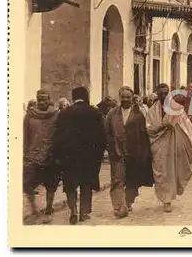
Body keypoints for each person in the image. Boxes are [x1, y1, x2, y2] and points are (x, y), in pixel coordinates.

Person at [53, 87, 107, 225]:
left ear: (73, 97)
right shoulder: (95, 112)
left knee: (70, 185)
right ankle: (83, 213)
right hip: (89, 157)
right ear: (86, 96)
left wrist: (58, 155)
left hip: (69, 156)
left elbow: (57, 136)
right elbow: (102, 136)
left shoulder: (64, 113)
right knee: (86, 184)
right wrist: (99, 154)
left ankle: (73, 211)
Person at [146, 83, 192, 212]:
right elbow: (149, 129)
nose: (164, 95)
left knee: (173, 171)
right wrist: (162, 126)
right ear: (157, 94)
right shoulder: (152, 111)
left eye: (166, 93)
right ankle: (165, 198)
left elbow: (187, 127)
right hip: (159, 145)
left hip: (175, 144)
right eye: (161, 93)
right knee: (162, 171)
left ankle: (168, 200)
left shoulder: (177, 108)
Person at [106, 87, 154, 219]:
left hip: (134, 152)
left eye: (128, 97)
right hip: (117, 153)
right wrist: (112, 147)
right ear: (119, 97)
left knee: (132, 180)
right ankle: (119, 206)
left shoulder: (138, 114)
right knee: (117, 180)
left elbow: (144, 134)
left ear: (132, 98)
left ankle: (128, 202)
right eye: (123, 97)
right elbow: (107, 133)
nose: (125, 99)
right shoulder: (112, 113)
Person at [23, 90, 60, 224]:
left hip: (50, 156)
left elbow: (59, 134)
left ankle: (49, 209)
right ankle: (34, 209)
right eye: (39, 99)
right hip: (32, 156)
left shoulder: (56, 114)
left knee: (51, 184)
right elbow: (25, 135)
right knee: (27, 184)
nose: (42, 102)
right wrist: (25, 152)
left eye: (44, 99)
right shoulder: (29, 115)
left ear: (49, 99)